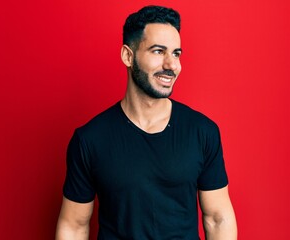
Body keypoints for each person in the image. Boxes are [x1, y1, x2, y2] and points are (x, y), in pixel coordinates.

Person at [56, 5, 237, 240]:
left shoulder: (202, 132)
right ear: (128, 56)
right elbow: (74, 225)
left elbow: (218, 218)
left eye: (176, 53)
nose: (172, 65)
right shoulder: (90, 139)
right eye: (158, 51)